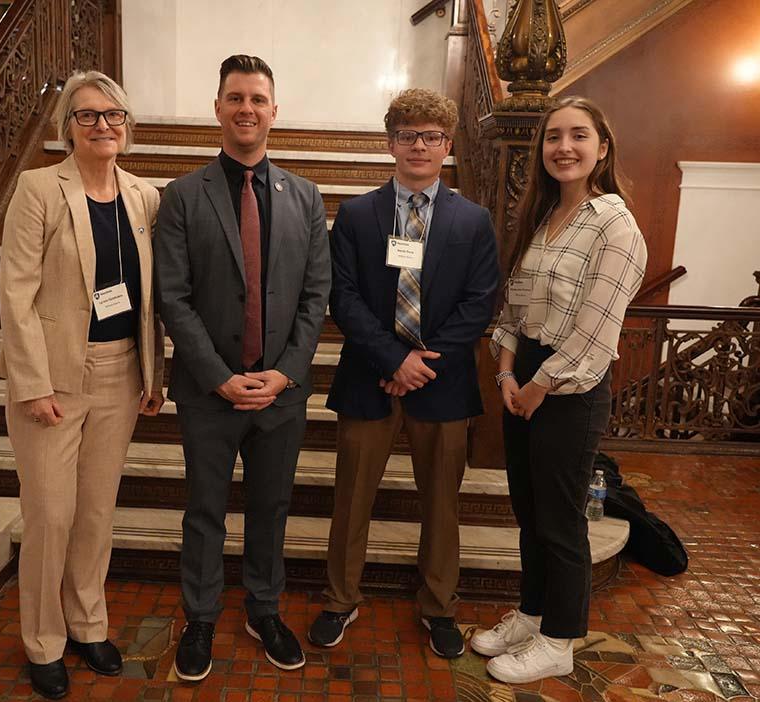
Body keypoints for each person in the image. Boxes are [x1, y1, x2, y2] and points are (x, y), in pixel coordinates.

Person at [154, 55, 330, 681]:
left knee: (271, 506)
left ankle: (264, 607)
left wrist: (284, 373)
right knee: (204, 508)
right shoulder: (181, 195)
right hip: (210, 391)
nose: (246, 109)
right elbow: (171, 296)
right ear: (218, 107)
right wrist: (218, 375)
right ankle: (200, 615)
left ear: (274, 111)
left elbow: (316, 297)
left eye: (258, 98)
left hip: (280, 392)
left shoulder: (305, 198)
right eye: (235, 97)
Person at [0, 70, 165, 699]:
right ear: (68, 125)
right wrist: (32, 383)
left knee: (95, 512)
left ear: (128, 125)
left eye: (113, 115)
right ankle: (42, 640)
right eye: (88, 115)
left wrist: (153, 372)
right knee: (50, 515)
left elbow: (153, 299)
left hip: (121, 371)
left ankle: (88, 624)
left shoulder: (145, 196)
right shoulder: (39, 187)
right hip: (55, 378)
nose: (102, 126)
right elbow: (16, 292)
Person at [308, 89, 499, 658]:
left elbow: (480, 301)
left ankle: (439, 606)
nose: (420, 145)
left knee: (442, 502)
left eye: (432, 137)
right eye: (408, 135)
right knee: (352, 500)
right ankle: (341, 599)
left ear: (447, 145)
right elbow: (341, 297)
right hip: (370, 376)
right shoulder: (359, 215)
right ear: (390, 143)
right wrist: (393, 360)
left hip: (442, 383)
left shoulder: (474, 220)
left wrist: (421, 362)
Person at [472, 96, 647, 683]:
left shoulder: (615, 224)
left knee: (563, 519)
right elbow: (513, 314)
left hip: (571, 387)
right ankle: (533, 612)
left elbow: (598, 330)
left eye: (578, 136)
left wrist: (539, 386)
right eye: (552, 137)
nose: (563, 148)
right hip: (524, 377)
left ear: (602, 147)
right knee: (529, 510)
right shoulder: (543, 220)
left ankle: (559, 640)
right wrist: (505, 374)